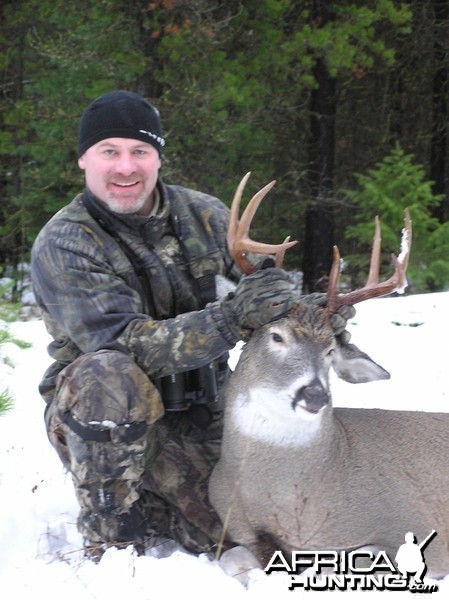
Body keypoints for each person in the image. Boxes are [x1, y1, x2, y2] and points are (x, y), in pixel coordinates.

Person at [31, 90, 352, 558]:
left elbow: (268, 305)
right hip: (107, 416)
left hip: (204, 409)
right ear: (84, 159)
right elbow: (126, 345)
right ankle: (114, 531)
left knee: (237, 532)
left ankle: (159, 503)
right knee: (107, 372)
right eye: (109, 152)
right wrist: (233, 316)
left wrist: (320, 314)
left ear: (158, 157)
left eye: (140, 151)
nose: (126, 167)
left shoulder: (206, 215)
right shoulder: (64, 244)